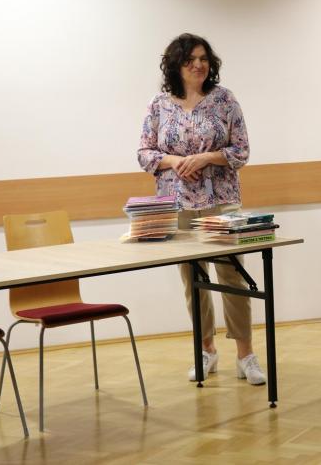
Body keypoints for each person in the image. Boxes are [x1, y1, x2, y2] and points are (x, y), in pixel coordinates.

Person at [137, 33, 266, 385]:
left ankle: (245, 355)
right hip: (176, 203)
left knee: (233, 275)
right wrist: (176, 162)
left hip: (221, 200)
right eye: (190, 59)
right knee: (192, 279)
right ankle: (206, 350)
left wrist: (206, 157)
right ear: (175, 65)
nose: (198, 65)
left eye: (203, 58)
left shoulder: (225, 100)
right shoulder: (159, 105)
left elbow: (241, 150)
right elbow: (145, 153)